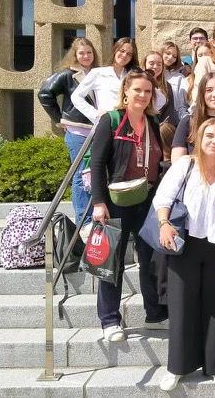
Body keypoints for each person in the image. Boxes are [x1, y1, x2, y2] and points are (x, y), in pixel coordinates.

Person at [154, 118, 215, 391]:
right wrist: (164, 224)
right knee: (182, 306)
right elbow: (163, 198)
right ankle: (177, 367)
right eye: (209, 136)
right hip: (184, 244)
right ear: (199, 140)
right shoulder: (186, 165)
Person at [89, 69, 167, 342]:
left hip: (146, 199)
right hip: (116, 200)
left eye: (148, 92)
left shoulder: (153, 122)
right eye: (138, 90)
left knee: (152, 257)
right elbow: (97, 163)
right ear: (125, 91)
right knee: (114, 260)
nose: (143, 96)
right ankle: (110, 319)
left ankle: (155, 313)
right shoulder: (110, 121)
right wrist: (98, 202)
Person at [37, 37, 99, 224]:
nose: (86, 56)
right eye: (81, 53)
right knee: (81, 175)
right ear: (75, 55)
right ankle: (84, 221)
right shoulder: (67, 75)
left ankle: (95, 217)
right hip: (78, 131)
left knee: (95, 175)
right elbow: (45, 94)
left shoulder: (98, 73)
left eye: (89, 52)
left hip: (97, 130)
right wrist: (60, 119)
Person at [70, 37, 141, 123]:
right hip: (106, 123)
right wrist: (94, 114)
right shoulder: (98, 73)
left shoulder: (133, 76)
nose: (124, 55)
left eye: (129, 54)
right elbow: (76, 96)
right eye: (122, 51)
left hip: (128, 124)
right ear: (115, 50)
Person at [143, 51, 181, 160]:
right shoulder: (138, 82)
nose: (155, 67)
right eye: (151, 63)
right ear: (144, 64)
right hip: (141, 123)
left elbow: (170, 113)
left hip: (161, 125)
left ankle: (167, 163)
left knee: (165, 130)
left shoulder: (166, 86)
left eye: (159, 64)